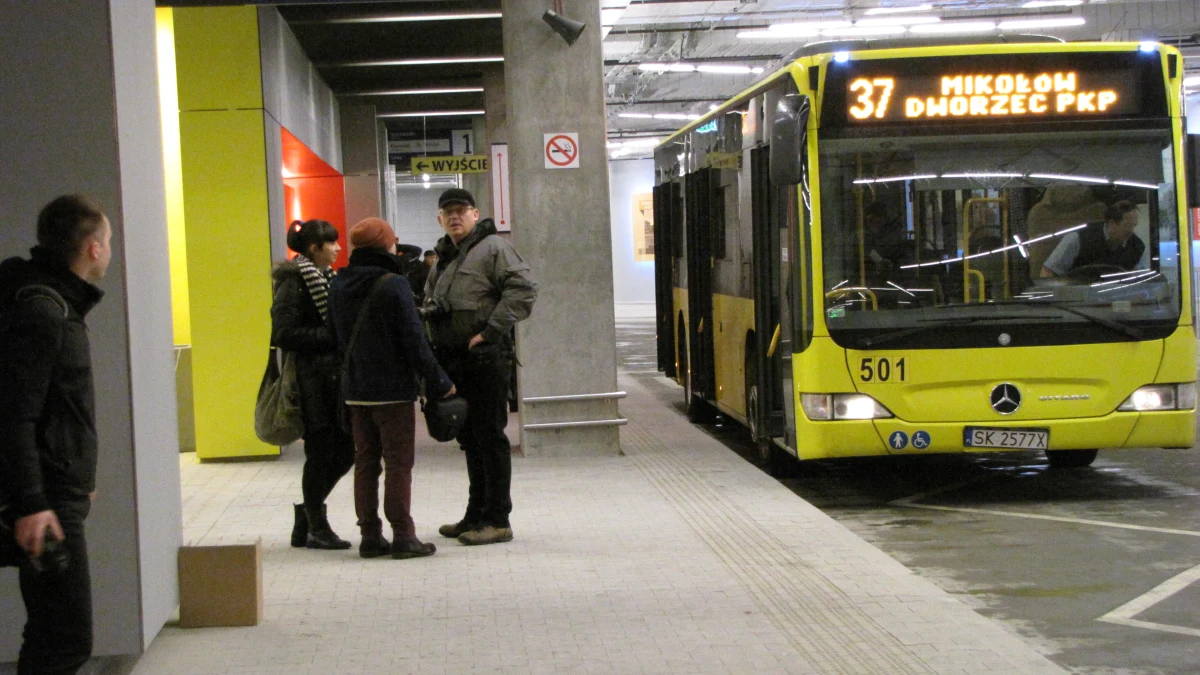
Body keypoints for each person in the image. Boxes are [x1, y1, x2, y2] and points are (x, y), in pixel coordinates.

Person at [0, 195, 113, 674]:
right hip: (42, 499)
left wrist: (77, 473)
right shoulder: (44, 311)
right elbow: (14, 414)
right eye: (107, 242)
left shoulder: (49, 300)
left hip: (53, 489)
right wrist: (32, 501)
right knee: (65, 639)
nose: (110, 251)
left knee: (52, 630)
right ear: (91, 248)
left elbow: (58, 410)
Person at [327, 217, 455, 559]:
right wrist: (440, 381)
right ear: (385, 244)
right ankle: (403, 535)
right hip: (392, 390)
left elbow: (334, 337)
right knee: (398, 462)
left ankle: (370, 536)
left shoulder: (338, 284)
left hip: (355, 389)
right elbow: (414, 341)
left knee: (366, 461)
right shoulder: (393, 283)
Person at [424, 188, 537, 546]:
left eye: (461, 211)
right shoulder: (444, 256)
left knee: (490, 436)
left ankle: (497, 519)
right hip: (455, 359)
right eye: (448, 212)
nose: (454, 217)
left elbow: (524, 288)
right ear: (440, 219)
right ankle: (475, 514)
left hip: (485, 358)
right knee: (470, 438)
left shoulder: (494, 248)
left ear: (475, 214)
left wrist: (490, 331)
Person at [271, 219, 355, 550]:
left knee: (344, 451)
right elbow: (284, 333)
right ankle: (316, 526)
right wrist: (331, 337)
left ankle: (306, 520)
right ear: (313, 249)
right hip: (311, 381)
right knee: (322, 452)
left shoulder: (324, 278)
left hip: (329, 379)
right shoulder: (295, 281)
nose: (337, 248)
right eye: (330, 244)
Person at [1041, 200, 1147, 278]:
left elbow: (1138, 281)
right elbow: (1048, 272)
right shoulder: (1077, 239)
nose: (1131, 231)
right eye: (1127, 226)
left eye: (1134, 225)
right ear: (1111, 223)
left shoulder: (1137, 247)